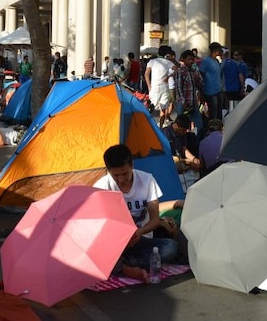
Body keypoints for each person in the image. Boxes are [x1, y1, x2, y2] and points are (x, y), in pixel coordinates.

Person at [93, 144, 180, 282]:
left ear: (132, 165)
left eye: (125, 173)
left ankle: (121, 265)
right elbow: (99, 227)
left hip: (141, 238)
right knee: (92, 251)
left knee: (171, 247)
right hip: (115, 243)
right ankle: (124, 267)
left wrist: (139, 233)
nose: (121, 179)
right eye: (116, 175)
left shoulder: (147, 180)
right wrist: (120, 238)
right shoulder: (101, 187)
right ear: (108, 170)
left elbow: (154, 219)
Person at [145, 45, 175, 127]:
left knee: (151, 107)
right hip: (164, 87)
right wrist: (169, 76)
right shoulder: (169, 62)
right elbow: (177, 70)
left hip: (154, 87)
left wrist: (149, 86)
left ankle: (148, 124)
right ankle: (160, 126)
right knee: (163, 108)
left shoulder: (152, 61)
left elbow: (146, 74)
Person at [200, 42, 224, 121]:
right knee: (213, 114)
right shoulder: (206, 61)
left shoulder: (216, 61)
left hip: (218, 90)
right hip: (210, 91)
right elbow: (201, 74)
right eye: (220, 50)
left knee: (219, 113)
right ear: (215, 50)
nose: (221, 51)